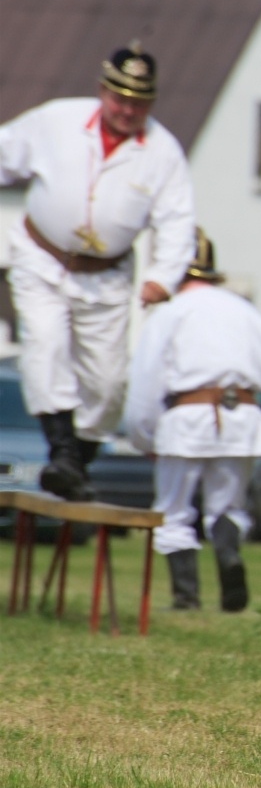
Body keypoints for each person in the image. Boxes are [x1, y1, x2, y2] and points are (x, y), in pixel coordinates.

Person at [0, 42, 196, 501]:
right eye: (120, 98)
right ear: (103, 91)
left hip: (107, 276)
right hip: (41, 259)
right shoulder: (57, 121)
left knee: (108, 383)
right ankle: (62, 451)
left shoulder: (163, 152)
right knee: (45, 345)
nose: (127, 110)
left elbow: (177, 219)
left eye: (138, 102)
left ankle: (75, 463)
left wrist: (163, 276)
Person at [126, 229, 261, 611]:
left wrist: (144, 436)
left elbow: (145, 383)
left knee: (173, 511)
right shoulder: (248, 313)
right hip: (242, 418)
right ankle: (227, 553)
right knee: (228, 507)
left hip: (186, 419)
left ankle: (186, 597)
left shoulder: (169, 314)